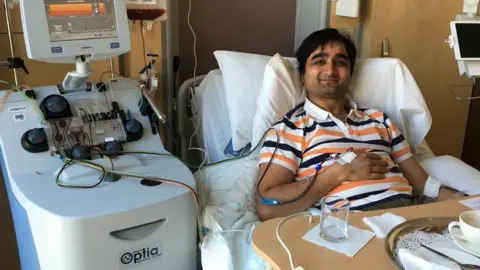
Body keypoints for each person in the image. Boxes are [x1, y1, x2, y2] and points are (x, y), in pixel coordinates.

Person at [256, 28, 464, 221]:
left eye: (340, 62)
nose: (330, 70)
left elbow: (420, 181)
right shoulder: (288, 130)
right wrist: (339, 172)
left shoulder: (380, 119)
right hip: (353, 225)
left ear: (350, 72)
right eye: (319, 61)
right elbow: (267, 204)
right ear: (302, 74)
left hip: (410, 213)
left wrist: (460, 199)